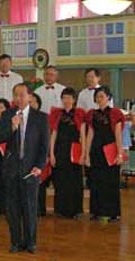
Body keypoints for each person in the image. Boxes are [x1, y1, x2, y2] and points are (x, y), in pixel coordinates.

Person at [0, 83, 49, 254]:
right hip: (11, 169)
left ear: (30, 96)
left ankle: (31, 242)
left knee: (30, 208)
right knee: (12, 208)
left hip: (31, 170)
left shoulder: (40, 117)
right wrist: (12, 127)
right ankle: (15, 242)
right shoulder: (7, 115)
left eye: (22, 95)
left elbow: (44, 146)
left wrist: (39, 166)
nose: (19, 98)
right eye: (16, 95)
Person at [85, 86, 124, 223]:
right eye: (97, 96)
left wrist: (119, 153)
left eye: (102, 96)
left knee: (111, 182)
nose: (99, 99)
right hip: (96, 151)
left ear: (108, 97)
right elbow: (90, 134)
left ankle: (113, 213)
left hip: (111, 151)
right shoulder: (91, 114)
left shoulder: (116, 113)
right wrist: (86, 154)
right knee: (95, 182)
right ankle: (96, 211)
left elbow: (118, 135)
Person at [49, 88, 86, 218]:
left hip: (75, 150)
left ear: (74, 100)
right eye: (64, 97)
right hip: (60, 150)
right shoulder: (57, 114)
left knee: (74, 181)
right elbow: (53, 134)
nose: (66, 100)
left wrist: (83, 154)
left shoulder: (80, 113)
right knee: (60, 180)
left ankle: (75, 210)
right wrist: (52, 153)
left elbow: (83, 135)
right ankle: (60, 209)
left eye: (69, 97)